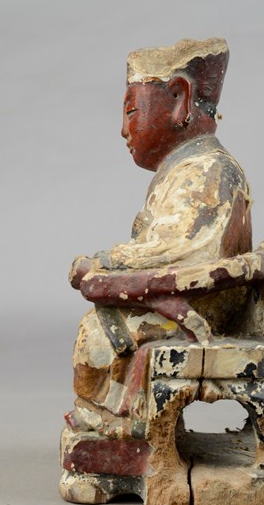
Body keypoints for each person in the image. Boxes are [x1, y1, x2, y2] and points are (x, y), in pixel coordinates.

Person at [66, 38, 253, 437]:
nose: (123, 130)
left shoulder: (208, 170)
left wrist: (107, 265)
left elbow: (184, 252)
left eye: (131, 110)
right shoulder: (185, 170)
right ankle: (116, 418)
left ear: (179, 98)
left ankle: (118, 425)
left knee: (96, 332)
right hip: (183, 297)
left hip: (197, 306)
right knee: (99, 322)